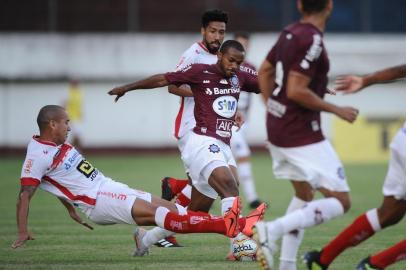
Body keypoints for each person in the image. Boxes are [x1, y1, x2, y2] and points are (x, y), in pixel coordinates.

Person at [12, 104, 251, 252]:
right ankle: (230, 226)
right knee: (167, 217)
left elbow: (59, 182)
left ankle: (144, 241)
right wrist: (23, 231)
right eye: (66, 123)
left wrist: (69, 209)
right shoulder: (37, 154)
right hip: (98, 201)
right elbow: (25, 194)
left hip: (108, 187)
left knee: (174, 210)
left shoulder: (55, 144)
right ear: (52, 124)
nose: (69, 127)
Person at [108, 40, 266, 255]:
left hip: (223, 145)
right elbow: (163, 79)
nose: (234, 66)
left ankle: (146, 238)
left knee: (194, 213)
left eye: (238, 63)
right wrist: (127, 88)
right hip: (202, 143)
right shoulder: (200, 71)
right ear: (220, 55)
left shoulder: (240, 77)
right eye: (231, 61)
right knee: (230, 186)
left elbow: (269, 85)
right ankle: (237, 246)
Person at [253, 1, 359, 269]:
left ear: (300, 5)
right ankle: (270, 230)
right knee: (341, 200)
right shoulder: (312, 39)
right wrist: (336, 109)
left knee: (304, 194)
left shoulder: (289, 31)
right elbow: (296, 90)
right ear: (330, 6)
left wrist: (272, 107)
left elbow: (264, 71)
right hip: (300, 132)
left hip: (279, 126)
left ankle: (287, 265)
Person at [304, 64, 406, 270]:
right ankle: (375, 265)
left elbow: (401, 70)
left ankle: (322, 259)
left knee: (389, 213)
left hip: (403, 139)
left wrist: (366, 80)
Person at [158, 9, 229, 248]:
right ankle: (161, 229)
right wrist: (201, 94)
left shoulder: (222, 57)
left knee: (203, 193)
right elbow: (172, 86)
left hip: (209, 129)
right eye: (213, 31)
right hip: (190, 129)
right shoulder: (193, 54)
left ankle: (160, 225)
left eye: (221, 32)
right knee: (215, 185)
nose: (217, 36)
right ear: (203, 31)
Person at [231, 32, 263, 209]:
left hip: (243, 121)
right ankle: (252, 198)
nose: (242, 48)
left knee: (225, 160)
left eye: (245, 45)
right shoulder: (225, 65)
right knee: (242, 154)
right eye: (239, 44)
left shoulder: (250, 67)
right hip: (226, 121)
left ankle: (202, 195)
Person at [64, 79, 84, 151]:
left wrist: (81, 114)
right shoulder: (68, 93)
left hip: (77, 118)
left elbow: (80, 105)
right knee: (76, 136)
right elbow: (64, 104)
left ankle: (72, 151)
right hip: (70, 118)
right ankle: (71, 151)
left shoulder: (79, 92)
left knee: (77, 136)